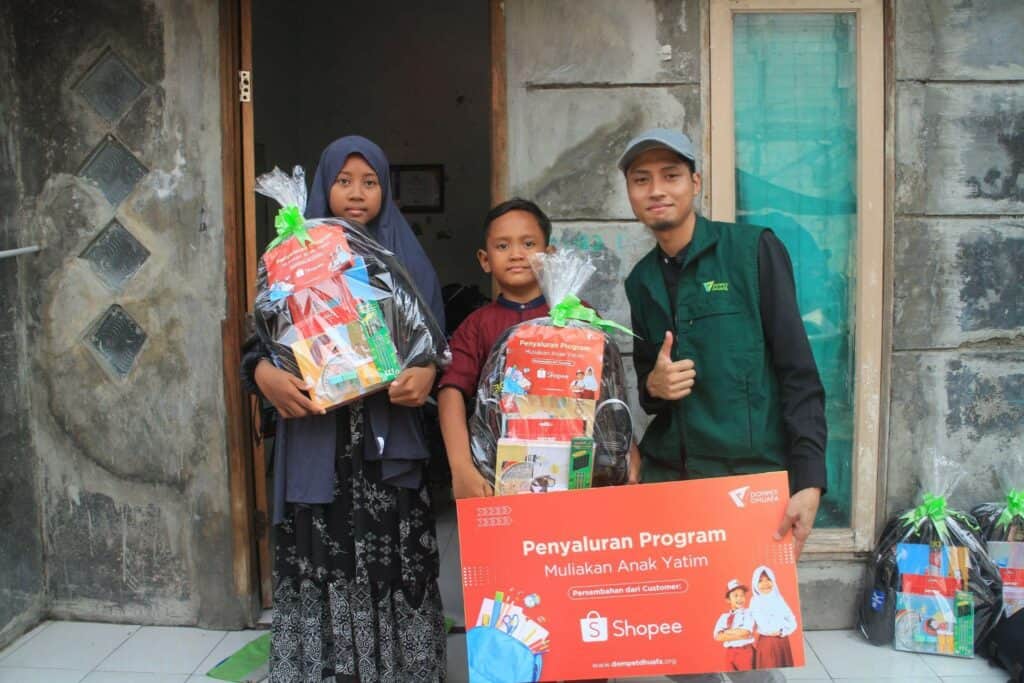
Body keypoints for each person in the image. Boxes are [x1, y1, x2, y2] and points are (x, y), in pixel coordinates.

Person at [241, 135, 449, 682]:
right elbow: (257, 345)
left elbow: (437, 348)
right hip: (319, 438)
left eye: (371, 181)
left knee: (393, 554)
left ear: (386, 188)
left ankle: (401, 670)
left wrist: (426, 373)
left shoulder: (406, 257)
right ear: (322, 186)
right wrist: (265, 376)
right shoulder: (292, 257)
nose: (357, 193)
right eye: (343, 180)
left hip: (387, 444)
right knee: (323, 552)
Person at [620, 128, 827, 559]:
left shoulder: (752, 251)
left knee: (750, 616)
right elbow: (650, 391)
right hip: (673, 483)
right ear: (630, 192)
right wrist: (654, 387)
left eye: (670, 175)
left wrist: (809, 480)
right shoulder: (640, 280)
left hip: (749, 483)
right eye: (641, 180)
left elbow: (798, 371)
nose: (656, 190)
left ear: (695, 184)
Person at [437, 198, 642, 499]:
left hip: (580, 469)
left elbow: (609, 394)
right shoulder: (478, 324)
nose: (517, 254)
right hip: (502, 475)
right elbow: (450, 390)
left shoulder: (579, 317)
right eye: (503, 246)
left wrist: (628, 451)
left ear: (549, 255)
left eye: (528, 243)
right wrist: (461, 468)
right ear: (484, 259)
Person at [749, 566, 798, 668]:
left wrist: (782, 631)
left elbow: (793, 621)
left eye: (768, 579)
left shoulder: (778, 598)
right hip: (767, 644)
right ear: (755, 583)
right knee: (769, 671)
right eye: (760, 581)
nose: (765, 584)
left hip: (783, 642)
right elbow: (768, 628)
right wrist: (784, 625)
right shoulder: (755, 601)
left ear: (773, 581)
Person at [713, 579, 756, 672]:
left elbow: (745, 633)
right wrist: (737, 632)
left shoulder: (749, 613)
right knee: (731, 677)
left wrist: (726, 632)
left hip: (745, 651)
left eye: (742, 595)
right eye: (735, 596)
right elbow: (718, 636)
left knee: (748, 677)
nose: (739, 599)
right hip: (730, 652)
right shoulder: (724, 617)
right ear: (728, 600)